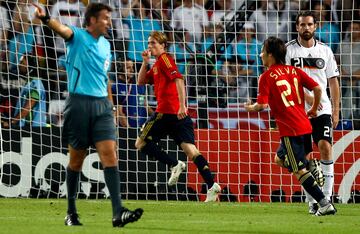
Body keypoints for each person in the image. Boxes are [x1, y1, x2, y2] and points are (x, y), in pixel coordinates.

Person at [32, 2, 143, 227]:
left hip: (102, 106)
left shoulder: (107, 45)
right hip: (79, 104)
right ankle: (71, 212)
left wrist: (111, 108)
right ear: (92, 20)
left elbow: (105, 79)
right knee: (76, 160)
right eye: (104, 18)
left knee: (110, 155)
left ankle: (117, 212)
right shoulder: (78, 36)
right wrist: (45, 19)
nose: (108, 22)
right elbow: (61, 29)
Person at [245, 36, 336, 216]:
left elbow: (262, 106)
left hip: (290, 130)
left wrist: (250, 107)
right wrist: (313, 110)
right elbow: (318, 89)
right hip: (304, 124)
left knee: (298, 170)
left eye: (263, 51)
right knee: (279, 159)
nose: (260, 54)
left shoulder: (266, 76)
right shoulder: (294, 71)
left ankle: (325, 204)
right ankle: (311, 166)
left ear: (270, 55)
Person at [135, 31, 221, 202]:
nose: (150, 46)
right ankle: (212, 186)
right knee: (191, 151)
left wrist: (183, 104)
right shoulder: (158, 63)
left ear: (163, 45)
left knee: (140, 143)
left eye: (153, 43)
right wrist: (145, 63)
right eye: (149, 43)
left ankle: (174, 164)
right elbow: (141, 82)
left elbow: (179, 80)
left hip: (167, 113)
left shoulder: (165, 59)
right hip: (179, 116)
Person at [285, 11, 340, 214]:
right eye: (302, 25)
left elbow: (333, 82)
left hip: (322, 109)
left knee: (325, 147)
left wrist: (335, 111)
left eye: (309, 24)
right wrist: (307, 99)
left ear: (315, 26)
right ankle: (312, 201)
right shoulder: (289, 51)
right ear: (297, 27)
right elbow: (288, 80)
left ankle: (327, 197)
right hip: (298, 111)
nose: (306, 28)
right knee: (304, 156)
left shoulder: (325, 51)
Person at [2, 53, 47, 128]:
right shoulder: (29, 82)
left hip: (34, 129)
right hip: (26, 127)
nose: (19, 65)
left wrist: (12, 122)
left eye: (22, 63)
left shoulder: (36, 84)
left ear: (30, 67)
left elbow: (28, 107)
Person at [112, 60, 153, 128]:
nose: (132, 70)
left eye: (132, 67)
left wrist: (157, 117)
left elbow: (143, 104)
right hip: (126, 129)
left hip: (142, 127)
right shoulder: (116, 87)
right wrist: (129, 130)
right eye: (128, 68)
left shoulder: (139, 86)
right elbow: (119, 113)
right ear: (119, 69)